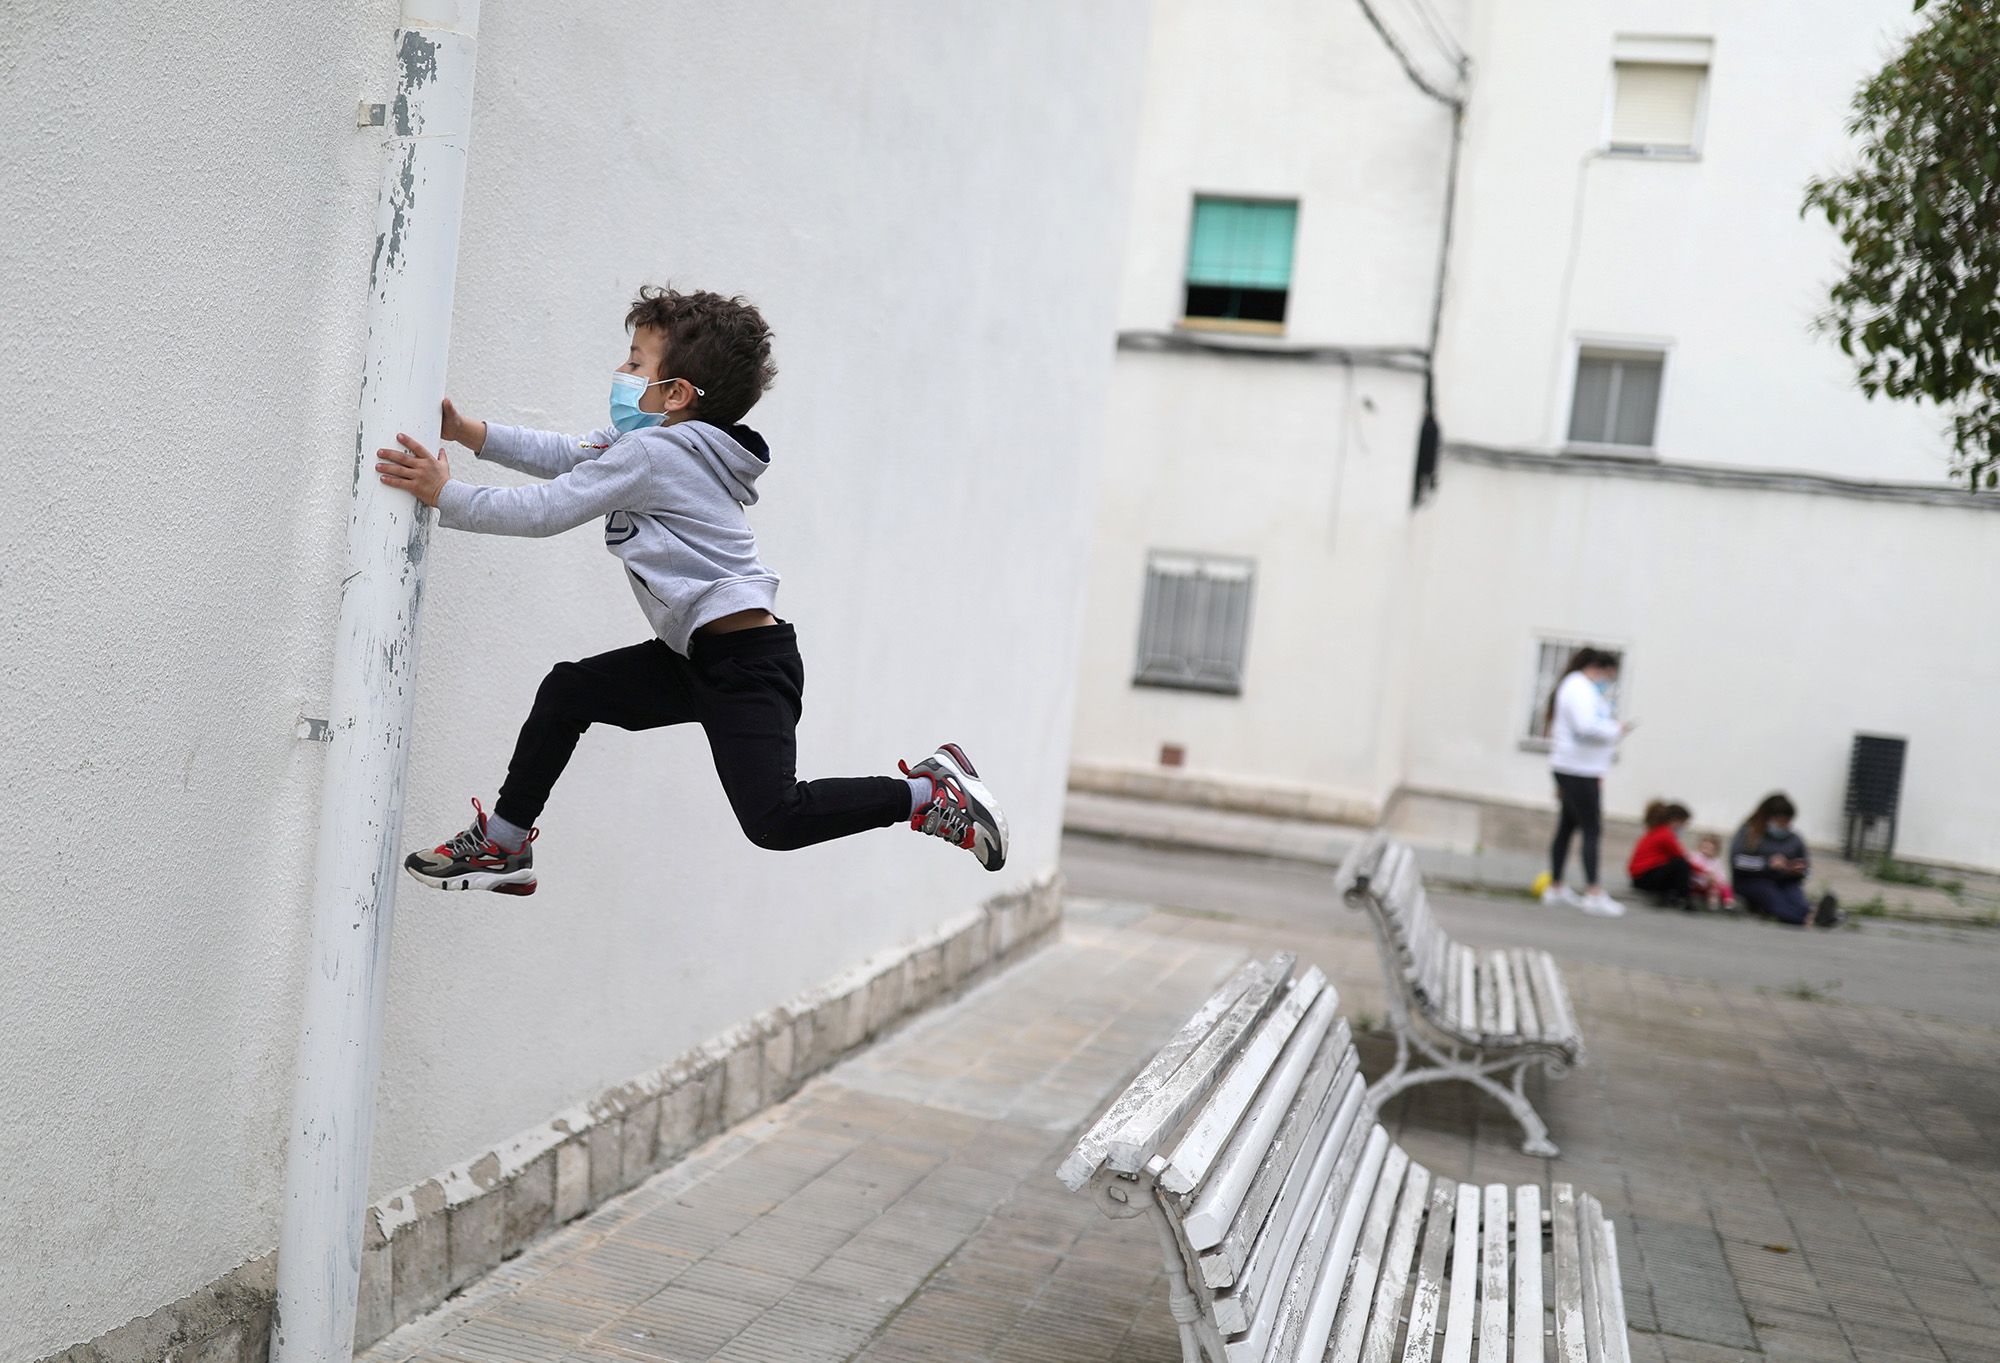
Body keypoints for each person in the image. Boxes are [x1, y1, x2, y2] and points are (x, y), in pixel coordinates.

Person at [374, 286, 1008, 895]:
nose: (621, 371)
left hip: (747, 666)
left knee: (775, 819)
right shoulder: (653, 445)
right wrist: (469, 431)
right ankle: (505, 843)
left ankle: (928, 794)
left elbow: (545, 511)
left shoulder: (656, 455)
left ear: (675, 393)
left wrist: (444, 494)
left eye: (635, 363)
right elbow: (570, 453)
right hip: (696, 657)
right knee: (569, 690)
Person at [1539, 647, 1633, 916]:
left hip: (1576, 767)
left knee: (1567, 826)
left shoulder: (1577, 686)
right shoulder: (1579, 688)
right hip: (1579, 770)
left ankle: (1556, 886)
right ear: (1599, 668)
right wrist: (1615, 730)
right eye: (1609, 676)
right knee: (1592, 829)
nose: (1608, 681)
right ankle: (1593, 892)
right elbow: (1586, 727)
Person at [1729, 793, 1838, 927]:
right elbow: (1738, 861)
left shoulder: (1794, 839)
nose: (1786, 825)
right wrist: (1767, 864)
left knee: (1798, 901)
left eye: (1788, 821)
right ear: (1769, 818)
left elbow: (1807, 869)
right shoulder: (1749, 832)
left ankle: (1815, 914)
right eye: (1782, 821)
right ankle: (1809, 919)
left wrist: (1799, 870)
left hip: (1785, 880)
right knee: (1775, 900)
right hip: (1753, 881)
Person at [1627, 800, 1694, 908]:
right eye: (1683, 823)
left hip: (1639, 878)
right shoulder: (1666, 834)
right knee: (1681, 864)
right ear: (1676, 821)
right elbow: (1682, 858)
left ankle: (1669, 896)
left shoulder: (1656, 831)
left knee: (1676, 865)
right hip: (1644, 878)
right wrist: (1706, 873)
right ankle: (1684, 899)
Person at [1687, 833, 1734, 912]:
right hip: (1697, 883)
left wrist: (1715, 879)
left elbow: (1721, 876)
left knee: (1724, 887)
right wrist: (1705, 876)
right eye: (1705, 847)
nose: (1706, 850)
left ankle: (1728, 902)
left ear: (1715, 850)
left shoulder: (1716, 862)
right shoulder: (1695, 856)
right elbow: (1692, 869)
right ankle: (1711, 903)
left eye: (1710, 849)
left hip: (1711, 885)